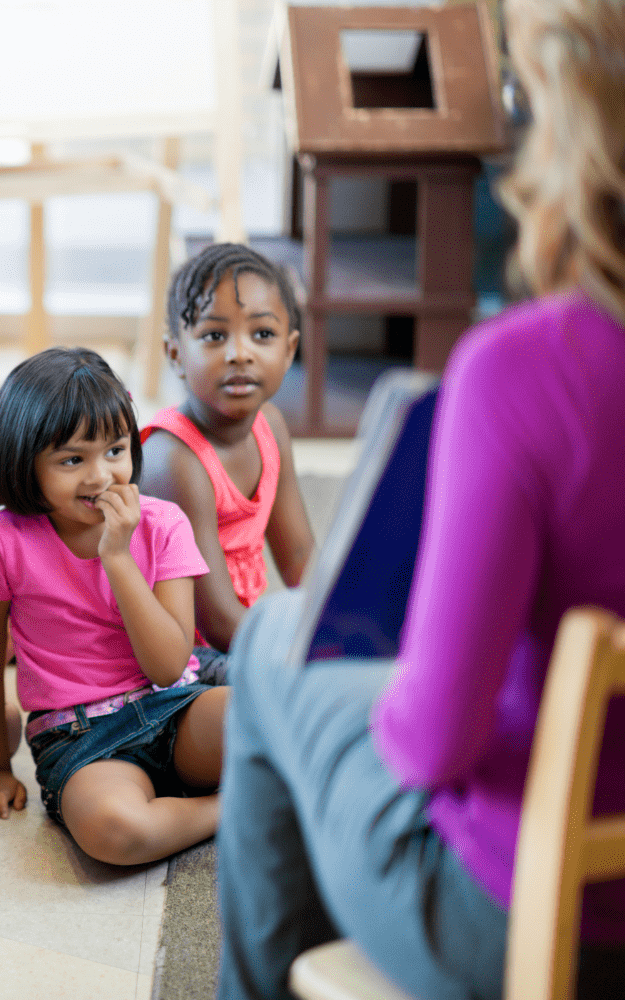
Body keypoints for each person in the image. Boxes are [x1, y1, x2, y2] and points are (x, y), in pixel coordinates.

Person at [215, 1, 625, 995]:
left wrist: (402, 675)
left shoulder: (531, 371)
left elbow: (434, 736)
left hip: (531, 917)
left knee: (274, 640)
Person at [0, 348, 227, 867]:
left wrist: (119, 559)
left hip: (173, 705)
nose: (100, 476)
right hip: (78, 738)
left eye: (115, 451)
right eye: (72, 459)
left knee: (269, 721)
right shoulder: (0, 541)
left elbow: (170, 666)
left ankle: (199, 796)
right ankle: (231, 807)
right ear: (24, 461)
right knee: (115, 832)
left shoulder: (163, 522)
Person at [137, 244, 316, 684]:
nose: (240, 353)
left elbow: (298, 557)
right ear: (176, 354)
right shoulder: (173, 458)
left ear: (290, 350)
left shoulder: (269, 426)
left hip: (237, 634)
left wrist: (337, 628)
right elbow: (214, 619)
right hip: (180, 656)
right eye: (215, 336)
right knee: (291, 688)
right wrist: (301, 650)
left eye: (262, 335)